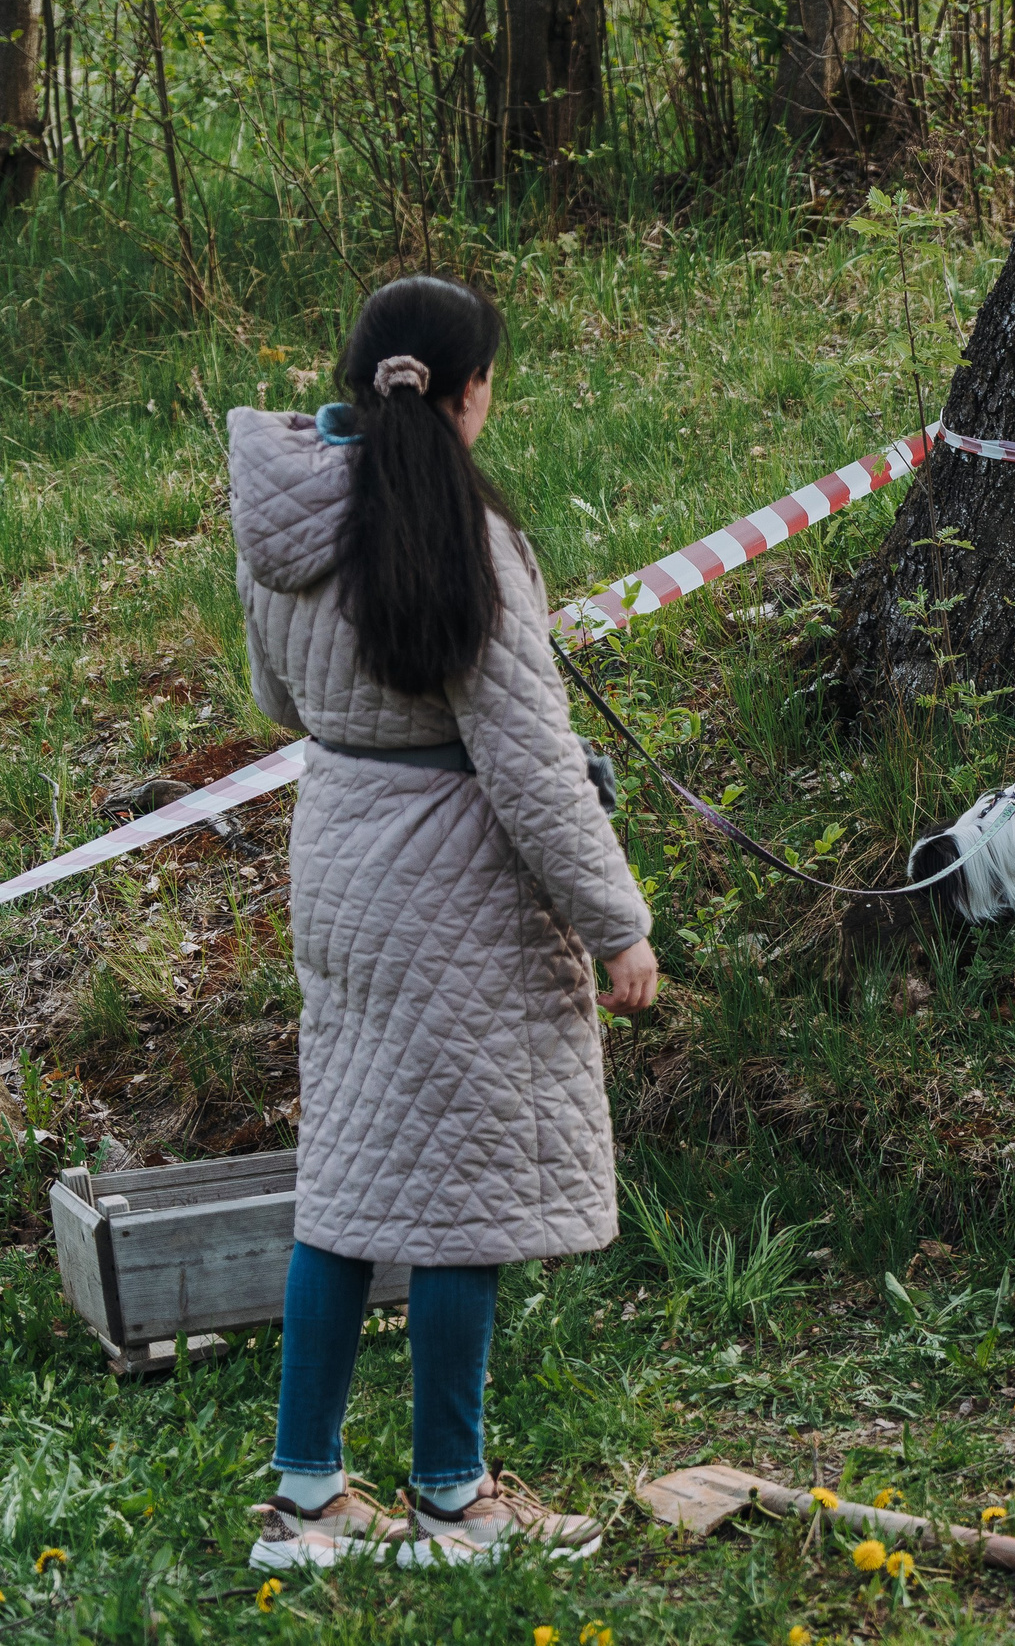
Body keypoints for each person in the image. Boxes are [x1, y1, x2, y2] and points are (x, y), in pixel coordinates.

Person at [227, 275, 659, 1569]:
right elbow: (527, 765)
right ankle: (453, 1502)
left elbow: (276, 698)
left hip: (342, 862)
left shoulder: (284, 513)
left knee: (349, 1184)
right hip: (453, 887)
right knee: (464, 1192)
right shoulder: (467, 537)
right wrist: (616, 923)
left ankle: (305, 1502)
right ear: (465, 389)